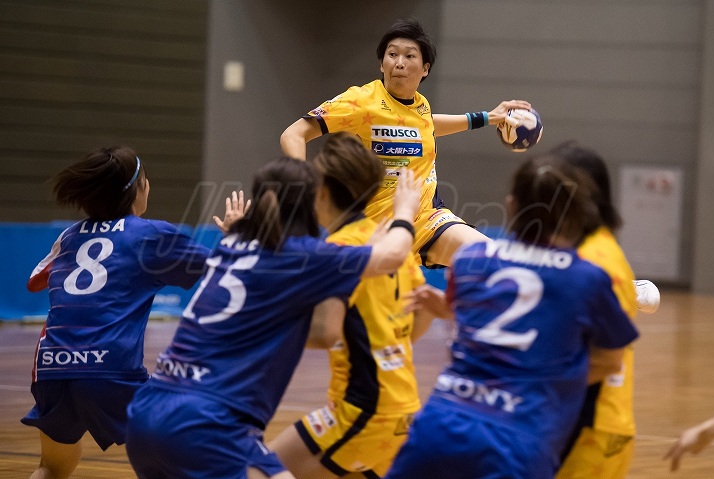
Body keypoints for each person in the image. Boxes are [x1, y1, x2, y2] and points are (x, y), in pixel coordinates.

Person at [124, 157, 421, 479]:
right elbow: (393, 255)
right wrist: (405, 212)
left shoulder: (232, 244)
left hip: (147, 410)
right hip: (207, 421)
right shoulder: (307, 254)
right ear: (313, 200)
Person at [383, 154, 639, 479]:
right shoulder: (586, 277)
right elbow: (611, 361)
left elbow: (489, 317)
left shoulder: (470, 258)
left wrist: (449, 310)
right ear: (575, 211)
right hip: (518, 438)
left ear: (511, 204)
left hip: (441, 423)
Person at [20, 146, 240, 479]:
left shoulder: (68, 236)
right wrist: (235, 238)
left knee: (53, 466)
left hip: (51, 369)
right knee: (186, 453)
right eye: (146, 180)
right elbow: (223, 271)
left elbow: (35, 281)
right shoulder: (150, 235)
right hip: (109, 372)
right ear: (137, 189)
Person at [281, 17, 533, 268]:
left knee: (490, 259)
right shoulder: (361, 101)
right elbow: (293, 134)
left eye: (409, 56)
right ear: (382, 64)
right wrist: (305, 188)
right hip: (373, 230)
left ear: (425, 69)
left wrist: (486, 118)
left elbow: (425, 126)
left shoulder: (421, 105)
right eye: (392, 54)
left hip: (427, 220)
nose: (399, 63)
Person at [268, 132, 433, 479]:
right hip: (401, 404)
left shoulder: (338, 249)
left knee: (260, 467)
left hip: (362, 408)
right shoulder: (392, 244)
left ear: (322, 191)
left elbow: (324, 332)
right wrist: (385, 346)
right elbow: (423, 312)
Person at [552, 140, 655, 479]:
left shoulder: (596, 260)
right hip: (580, 421)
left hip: (592, 429)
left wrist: (533, 387)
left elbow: (606, 360)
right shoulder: (578, 249)